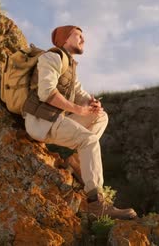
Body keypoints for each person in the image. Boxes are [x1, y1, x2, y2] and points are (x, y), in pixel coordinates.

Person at [22, 25, 137, 220]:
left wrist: (91, 104)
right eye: (78, 36)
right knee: (89, 140)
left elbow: (79, 94)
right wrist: (78, 110)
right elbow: (46, 93)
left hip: (54, 119)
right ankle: (95, 203)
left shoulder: (69, 65)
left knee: (101, 116)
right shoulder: (51, 58)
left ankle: (76, 161)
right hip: (40, 122)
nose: (83, 40)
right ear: (65, 39)